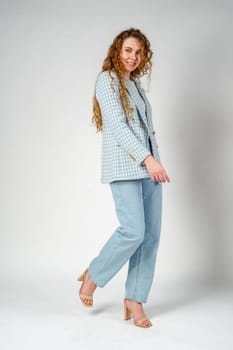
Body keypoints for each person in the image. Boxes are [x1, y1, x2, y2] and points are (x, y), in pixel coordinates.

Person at [78, 28, 170, 328]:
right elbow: (117, 126)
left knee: (151, 236)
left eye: (139, 52)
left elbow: (144, 129)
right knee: (134, 231)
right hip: (127, 166)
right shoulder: (107, 80)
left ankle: (135, 298)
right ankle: (94, 274)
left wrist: (153, 162)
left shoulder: (136, 85)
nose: (133, 56)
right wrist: (149, 159)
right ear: (118, 50)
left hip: (149, 168)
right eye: (128, 50)